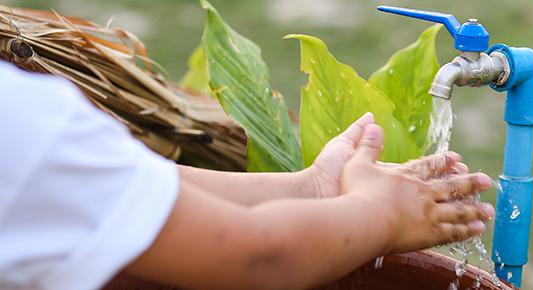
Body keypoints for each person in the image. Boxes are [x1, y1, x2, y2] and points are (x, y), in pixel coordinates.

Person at [0, 60, 495, 290]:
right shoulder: (23, 122)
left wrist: (312, 189)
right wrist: (377, 214)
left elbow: (132, 192)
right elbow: (261, 257)